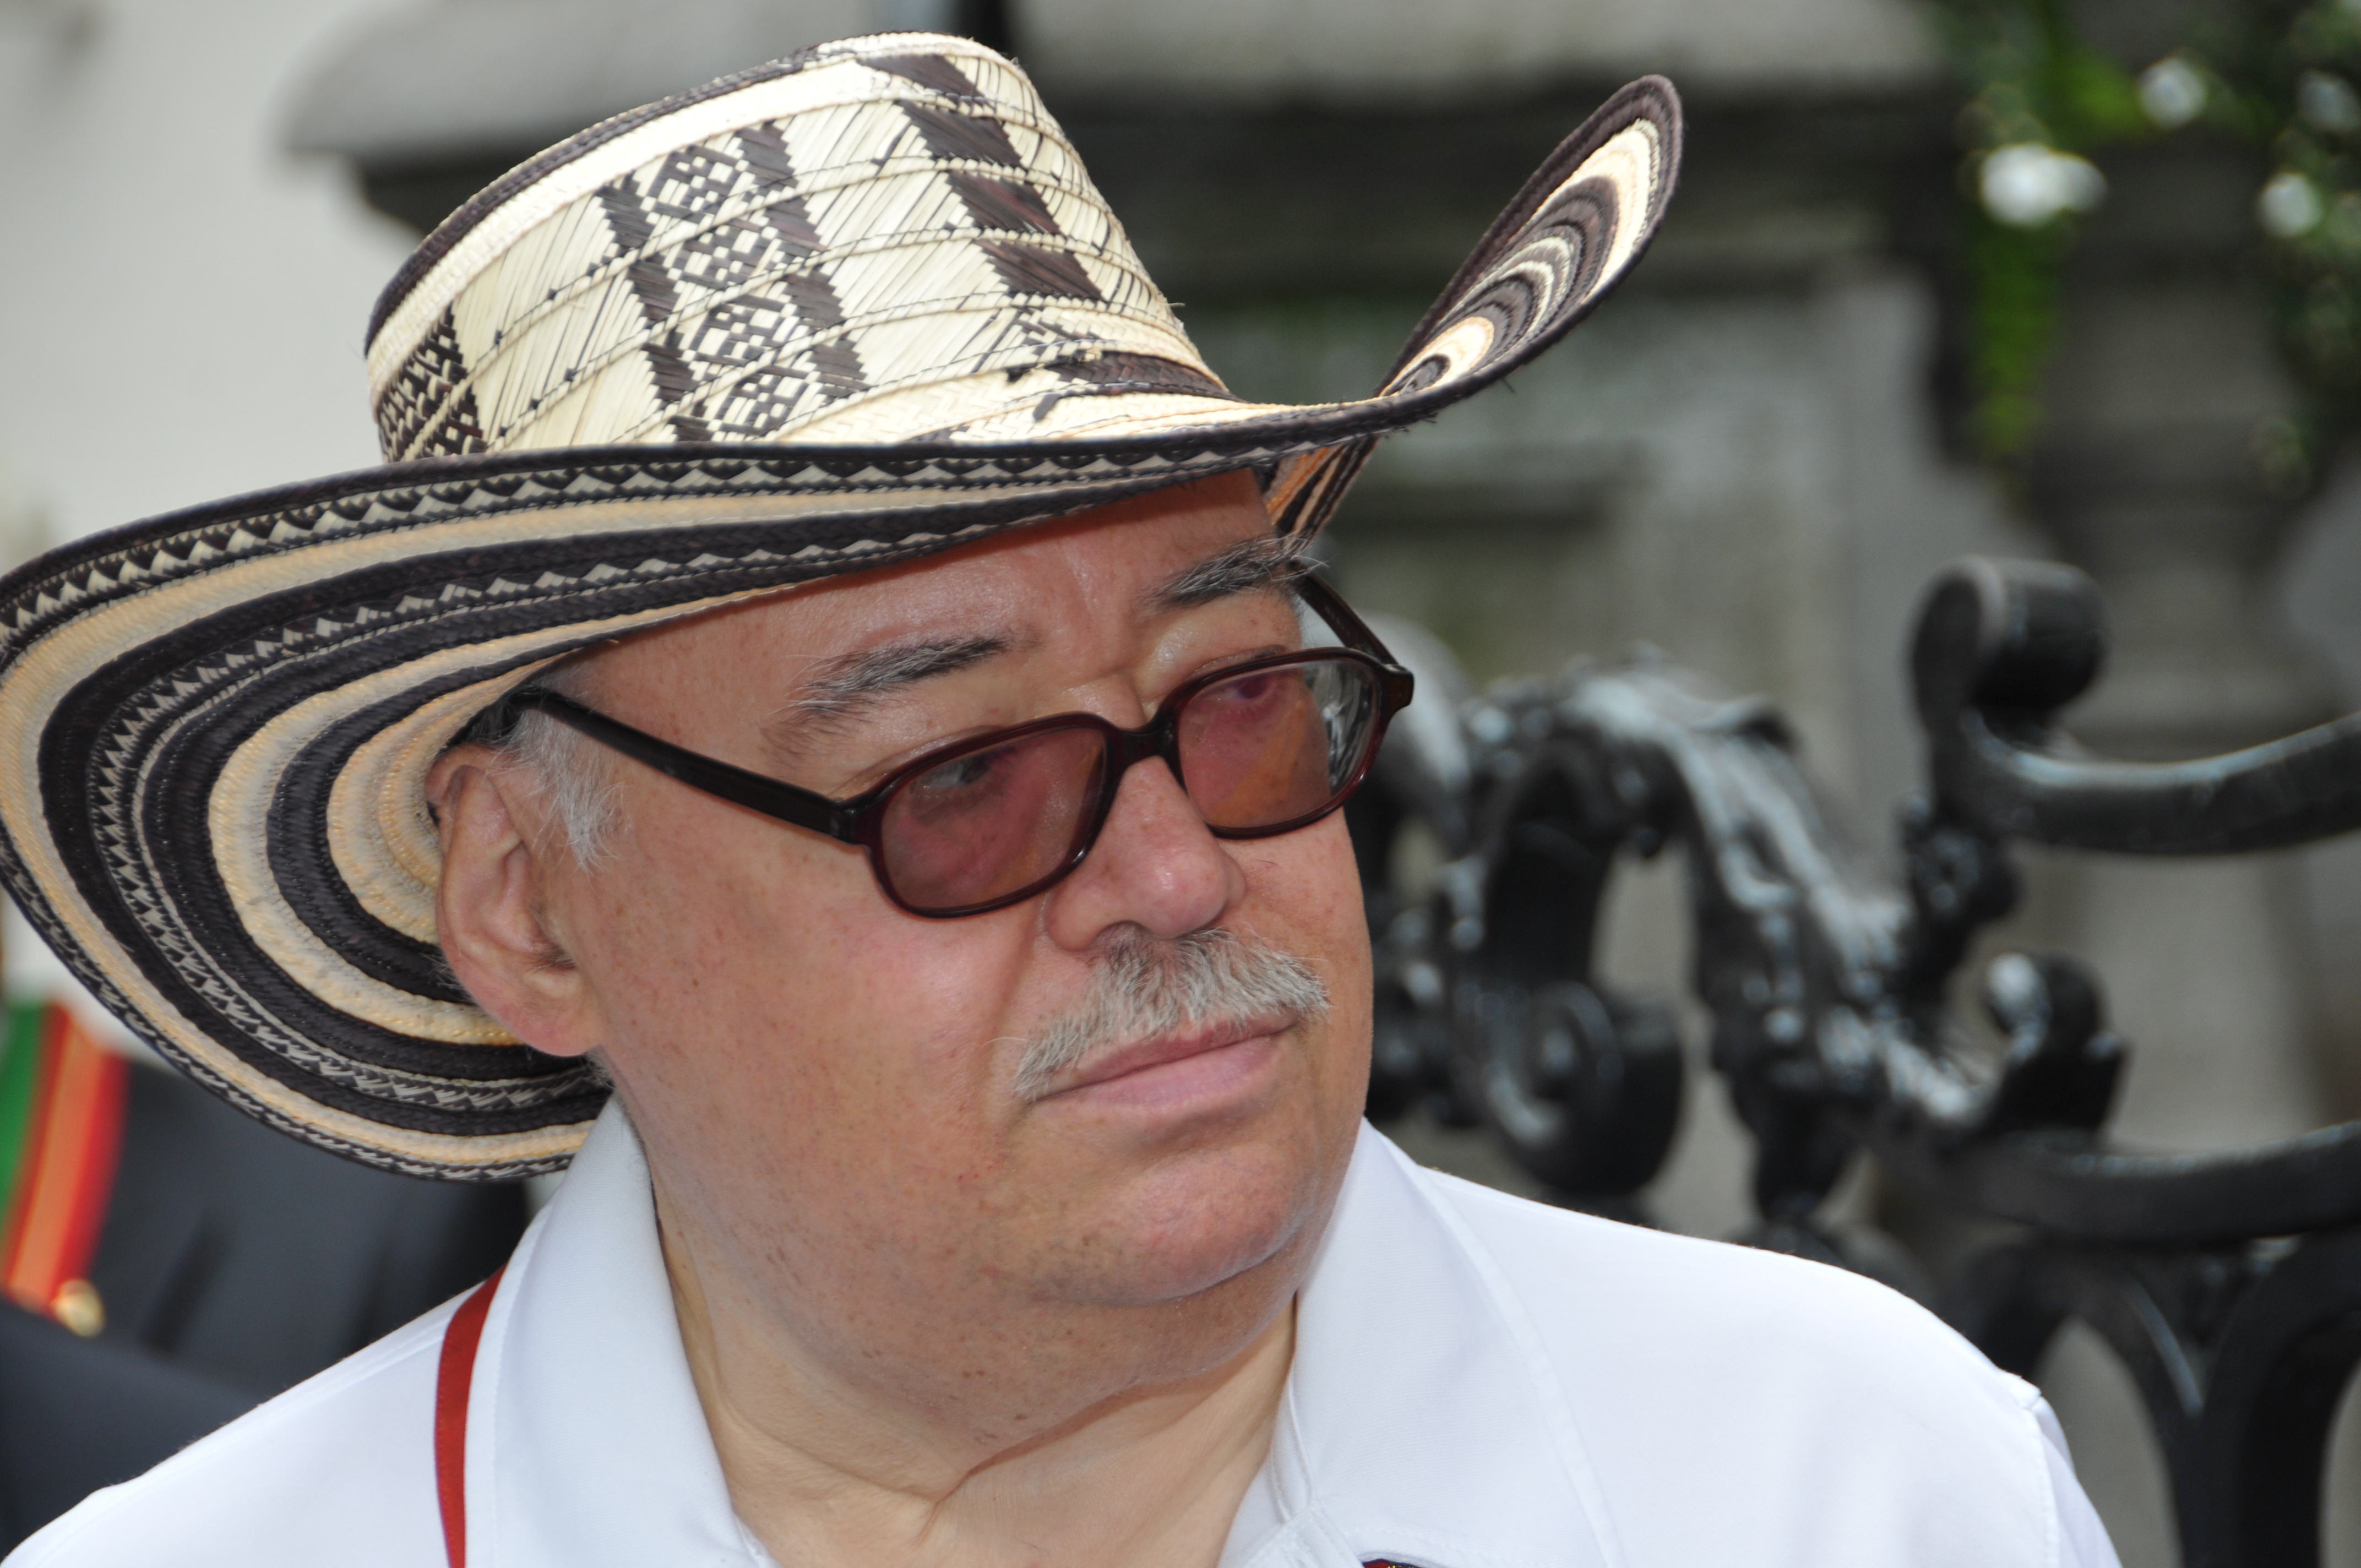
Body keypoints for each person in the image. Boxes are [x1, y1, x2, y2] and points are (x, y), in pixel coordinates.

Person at [0, 31, 2115, 1568]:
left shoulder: (1852, 1487)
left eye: (1246, 706)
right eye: (964, 781)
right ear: (529, 906)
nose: (1176, 873)